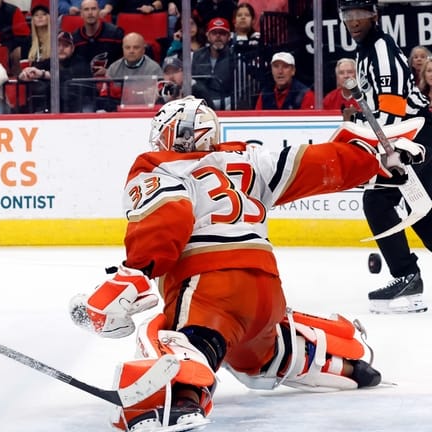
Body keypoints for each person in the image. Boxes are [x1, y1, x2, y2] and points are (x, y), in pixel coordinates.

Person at [69, 96, 430, 430]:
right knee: (258, 356)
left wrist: (137, 271)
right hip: (265, 290)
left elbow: (167, 220)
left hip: (210, 282)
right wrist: (375, 161)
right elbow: (311, 163)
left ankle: (182, 399)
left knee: (182, 335)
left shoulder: (159, 168)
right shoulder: (247, 159)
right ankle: (345, 366)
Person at [338, 0, 432, 313]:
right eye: (348, 16)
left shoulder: (380, 48)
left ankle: (407, 278)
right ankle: (408, 278)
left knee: (379, 201)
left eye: (360, 15)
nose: (353, 22)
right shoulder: (365, 51)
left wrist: (387, 150)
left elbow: (392, 108)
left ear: (374, 16)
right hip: (408, 135)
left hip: (414, 136)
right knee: (420, 206)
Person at [72, 0, 124, 78]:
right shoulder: (75, 38)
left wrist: (109, 72)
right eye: (86, 9)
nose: (90, 13)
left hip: (111, 81)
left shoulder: (115, 34)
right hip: (84, 83)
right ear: (81, 14)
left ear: (99, 12)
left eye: (93, 9)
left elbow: (125, 62)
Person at [191, 16, 234, 110]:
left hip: (227, 104)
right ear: (208, 35)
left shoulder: (234, 57)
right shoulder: (196, 56)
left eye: (222, 33)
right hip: (200, 104)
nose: (218, 36)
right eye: (214, 33)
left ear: (229, 36)